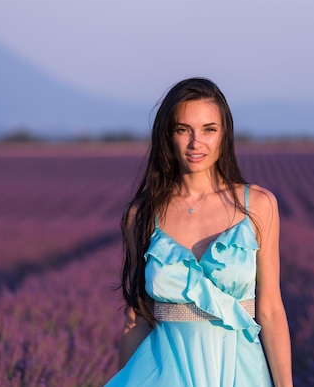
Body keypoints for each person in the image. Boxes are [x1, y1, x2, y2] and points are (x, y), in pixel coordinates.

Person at [104, 77, 293, 387]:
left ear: (224, 135)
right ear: (168, 136)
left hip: (240, 373)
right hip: (163, 374)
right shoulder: (141, 215)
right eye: (183, 130)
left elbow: (270, 309)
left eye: (209, 129)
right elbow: (138, 317)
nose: (196, 143)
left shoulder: (258, 206)